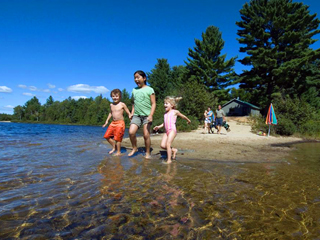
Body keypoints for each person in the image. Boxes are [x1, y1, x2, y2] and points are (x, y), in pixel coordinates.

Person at [153, 96, 191, 164]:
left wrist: (188, 120)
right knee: (162, 145)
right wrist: (158, 127)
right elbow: (164, 123)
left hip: (172, 130)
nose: (165, 105)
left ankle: (169, 160)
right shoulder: (165, 114)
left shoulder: (174, 112)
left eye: (166, 103)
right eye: (164, 103)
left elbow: (183, 116)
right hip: (166, 131)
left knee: (168, 144)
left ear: (172, 105)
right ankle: (173, 150)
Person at [128, 70, 156, 158]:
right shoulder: (134, 90)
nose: (136, 79)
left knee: (146, 135)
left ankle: (148, 152)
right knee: (131, 132)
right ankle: (134, 148)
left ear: (144, 78)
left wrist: (151, 115)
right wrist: (131, 113)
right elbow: (133, 103)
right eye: (135, 78)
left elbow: (154, 103)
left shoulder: (150, 89)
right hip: (136, 115)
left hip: (147, 116)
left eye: (138, 77)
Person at [103, 89, 132, 156]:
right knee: (106, 136)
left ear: (120, 97)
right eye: (113, 96)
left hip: (120, 123)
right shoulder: (111, 105)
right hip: (113, 123)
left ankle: (118, 152)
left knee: (117, 138)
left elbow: (128, 112)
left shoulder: (122, 104)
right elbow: (110, 113)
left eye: (116, 96)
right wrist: (106, 121)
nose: (115, 97)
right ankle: (114, 147)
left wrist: (130, 118)